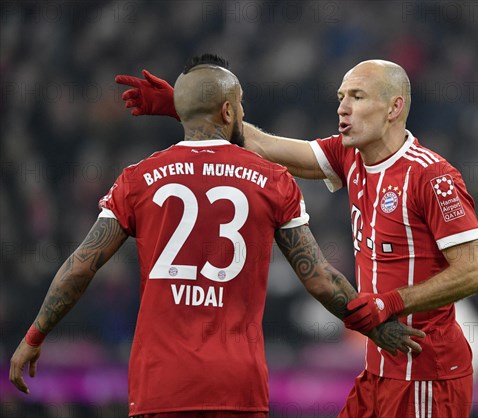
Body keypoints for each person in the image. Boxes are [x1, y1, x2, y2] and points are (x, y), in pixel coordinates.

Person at [10, 55, 427, 418]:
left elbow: (81, 265)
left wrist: (35, 336)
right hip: (237, 385)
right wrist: (373, 327)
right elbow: (319, 278)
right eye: (240, 107)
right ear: (229, 111)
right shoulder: (273, 180)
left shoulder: (137, 181)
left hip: (161, 384)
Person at [114, 58, 478, 417]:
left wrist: (389, 303)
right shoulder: (350, 156)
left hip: (425, 374)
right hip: (379, 368)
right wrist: (191, 109)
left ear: (394, 108)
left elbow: (472, 273)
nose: (343, 108)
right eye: (341, 97)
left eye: (357, 97)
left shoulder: (433, 178)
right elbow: (259, 144)